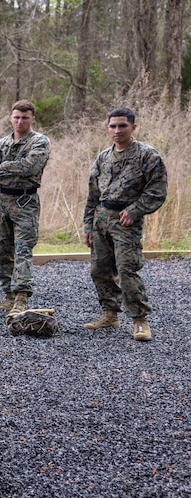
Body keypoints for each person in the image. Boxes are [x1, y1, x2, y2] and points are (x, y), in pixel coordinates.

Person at [82, 107, 167, 342]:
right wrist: (88, 225)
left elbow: (157, 191)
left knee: (127, 269)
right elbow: (92, 194)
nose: (117, 130)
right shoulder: (103, 157)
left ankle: (140, 320)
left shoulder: (147, 156)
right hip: (101, 219)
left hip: (125, 222)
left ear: (133, 127)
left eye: (122, 126)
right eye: (112, 126)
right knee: (99, 270)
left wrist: (135, 209)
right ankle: (110, 314)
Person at [0, 99, 51, 314]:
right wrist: (13, 168)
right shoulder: (0, 144)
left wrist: (3, 167)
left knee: (23, 250)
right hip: (1, 200)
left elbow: (30, 167)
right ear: (11, 118)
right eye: (16, 117)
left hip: (25, 201)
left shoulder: (40, 142)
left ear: (32, 118)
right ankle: (8, 295)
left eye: (25, 117)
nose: (20, 121)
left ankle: (21, 298)